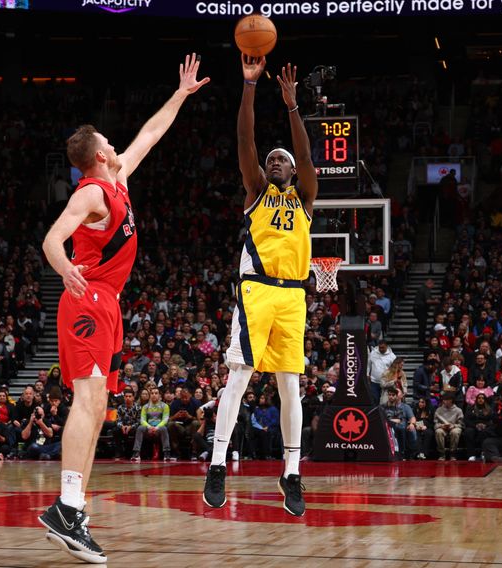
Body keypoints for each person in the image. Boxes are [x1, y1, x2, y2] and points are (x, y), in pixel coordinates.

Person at [37, 53, 209, 564]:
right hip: (87, 301)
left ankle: (75, 508)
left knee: (100, 409)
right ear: (97, 156)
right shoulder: (91, 193)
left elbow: (150, 135)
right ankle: (66, 506)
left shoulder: (119, 180)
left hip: (109, 303)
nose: (118, 145)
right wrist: (65, 268)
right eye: (109, 143)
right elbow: (52, 238)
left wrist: (181, 94)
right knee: (87, 404)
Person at [203, 56, 317, 518]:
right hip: (256, 291)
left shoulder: (305, 196)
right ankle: (216, 464)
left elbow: (307, 156)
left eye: (281, 160)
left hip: (293, 296)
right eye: (271, 160)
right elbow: (244, 139)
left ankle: (291, 472)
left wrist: (293, 108)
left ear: (291, 172)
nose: (274, 162)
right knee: (239, 377)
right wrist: (250, 86)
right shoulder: (256, 192)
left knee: (291, 386)